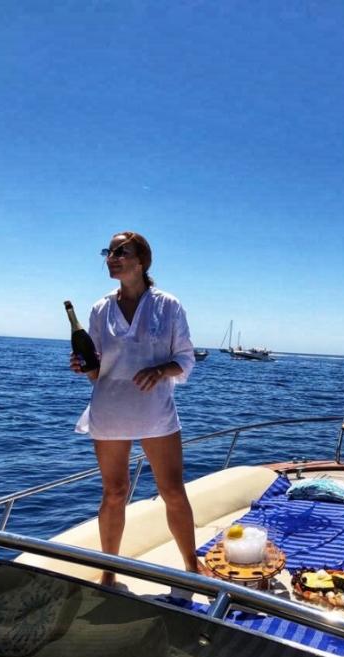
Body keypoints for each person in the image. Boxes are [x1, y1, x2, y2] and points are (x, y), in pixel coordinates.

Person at [70, 231, 209, 586]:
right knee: (114, 493)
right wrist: (84, 366)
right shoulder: (100, 308)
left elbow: (185, 360)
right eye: (109, 251)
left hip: (155, 413)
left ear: (142, 261)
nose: (112, 257)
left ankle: (192, 568)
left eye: (121, 252)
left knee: (173, 491)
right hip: (110, 411)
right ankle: (109, 572)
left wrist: (160, 370)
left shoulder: (168, 305)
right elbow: (97, 372)